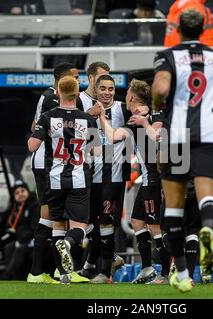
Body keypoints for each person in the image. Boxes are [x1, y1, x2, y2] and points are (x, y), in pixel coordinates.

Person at [152, 9, 213, 292]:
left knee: (175, 207)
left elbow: (161, 88)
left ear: (178, 29)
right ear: (203, 29)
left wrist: (159, 107)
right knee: (207, 199)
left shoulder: (168, 55)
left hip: (177, 134)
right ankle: (207, 230)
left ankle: (179, 271)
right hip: (206, 135)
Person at [28, 75, 100, 284]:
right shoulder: (88, 119)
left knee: (57, 225)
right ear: (78, 94)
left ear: (58, 93)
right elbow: (96, 151)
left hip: (54, 179)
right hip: (78, 178)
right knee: (80, 226)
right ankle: (69, 244)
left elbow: (32, 146)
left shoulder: (48, 116)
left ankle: (64, 274)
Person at [98, 79, 170, 284]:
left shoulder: (136, 118)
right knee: (137, 221)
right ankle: (147, 268)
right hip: (150, 178)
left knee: (155, 227)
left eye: (127, 92)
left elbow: (112, 136)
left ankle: (166, 272)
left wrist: (102, 115)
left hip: (152, 180)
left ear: (131, 97)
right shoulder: (151, 113)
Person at [28, 62, 79, 284]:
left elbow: (33, 125)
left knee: (56, 216)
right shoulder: (52, 98)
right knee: (49, 216)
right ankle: (38, 272)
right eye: (75, 77)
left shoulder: (47, 96)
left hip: (52, 162)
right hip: (46, 162)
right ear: (62, 80)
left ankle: (55, 271)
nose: (78, 81)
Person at [82, 74, 132, 284]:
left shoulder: (122, 108)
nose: (107, 92)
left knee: (105, 221)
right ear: (96, 88)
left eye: (111, 89)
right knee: (89, 223)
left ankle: (104, 273)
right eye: (103, 88)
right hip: (89, 175)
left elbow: (139, 119)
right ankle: (107, 259)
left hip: (114, 174)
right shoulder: (88, 111)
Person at [0, 180, 39, 280]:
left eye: (22, 191)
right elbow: (9, 224)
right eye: (17, 193)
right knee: (8, 247)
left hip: (33, 240)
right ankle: (14, 277)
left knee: (20, 249)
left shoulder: (34, 206)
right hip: (20, 239)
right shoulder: (15, 208)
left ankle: (7, 275)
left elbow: (34, 228)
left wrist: (21, 240)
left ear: (28, 191)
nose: (20, 194)